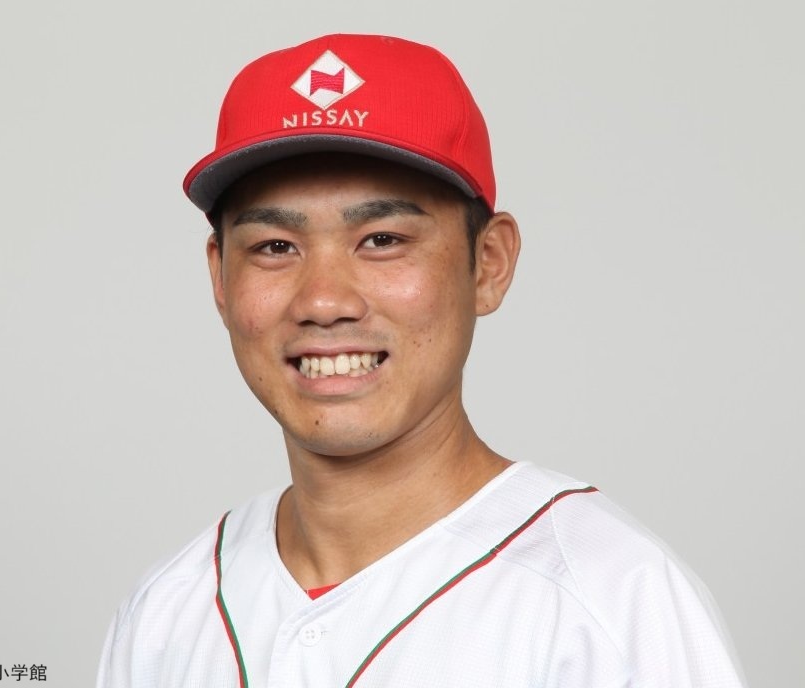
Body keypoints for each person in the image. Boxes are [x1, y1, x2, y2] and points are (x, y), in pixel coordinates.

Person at [96, 33, 747, 687]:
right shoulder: (164, 613)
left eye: (382, 239)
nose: (324, 301)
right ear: (219, 277)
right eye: (274, 246)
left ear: (488, 263)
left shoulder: (613, 604)